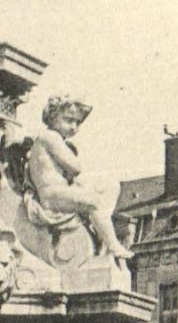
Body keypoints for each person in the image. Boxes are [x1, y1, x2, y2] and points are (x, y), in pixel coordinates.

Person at [25, 97, 132, 266]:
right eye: (68, 120)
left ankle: (102, 232)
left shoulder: (56, 139)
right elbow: (75, 168)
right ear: (53, 117)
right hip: (51, 196)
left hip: (61, 190)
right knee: (95, 201)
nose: (74, 126)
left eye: (77, 122)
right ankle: (112, 245)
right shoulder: (49, 137)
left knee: (110, 185)